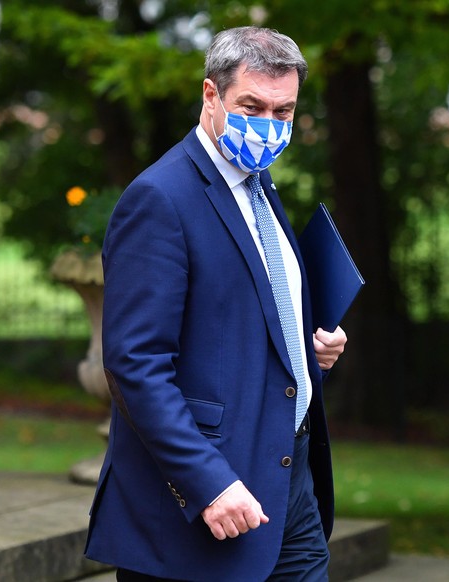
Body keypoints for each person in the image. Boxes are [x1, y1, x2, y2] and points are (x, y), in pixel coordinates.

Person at [84, 26, 348, 582]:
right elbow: (134, 364)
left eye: (285, 112)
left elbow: (241, 313)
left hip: (290, 481)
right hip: (208, 500)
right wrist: (209, 483)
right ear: (211, 96)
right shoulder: (159, 199)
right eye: (252, 106)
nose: (270, 126)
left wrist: (307, 347)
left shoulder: (259, 183)